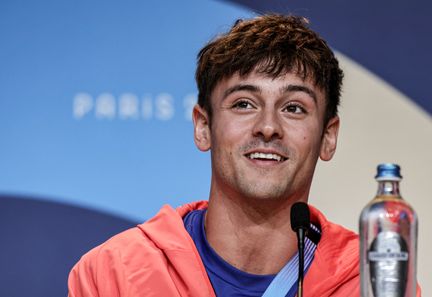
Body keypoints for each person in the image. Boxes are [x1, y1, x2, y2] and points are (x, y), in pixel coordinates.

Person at [67, 14, 397, 297]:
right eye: (243, 104)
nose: (268, 127)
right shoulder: (112, 276)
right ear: (203, 126)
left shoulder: (375, 283)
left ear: (328, 137)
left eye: (294, 108)